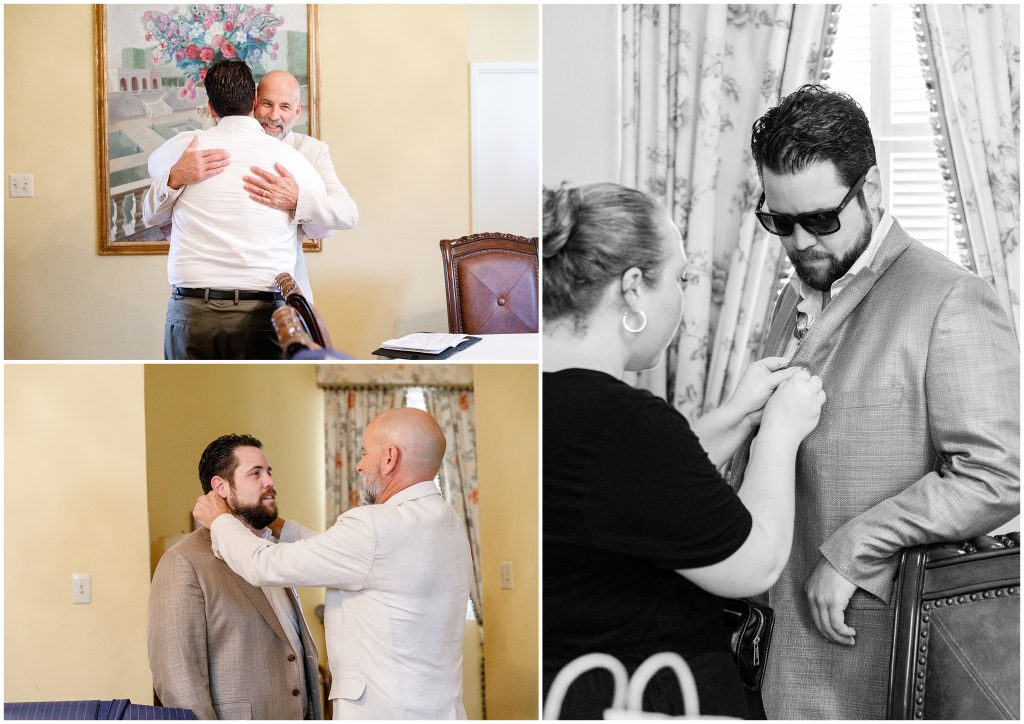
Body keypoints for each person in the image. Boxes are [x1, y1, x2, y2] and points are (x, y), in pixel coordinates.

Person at [732, 84, 1020, 719]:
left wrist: (856, 545)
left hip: (872, 666)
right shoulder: (792, 295)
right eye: (781, 223)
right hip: (770, 661)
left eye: (822, 219)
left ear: (872, 189)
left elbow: (998, 475)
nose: (801, 242)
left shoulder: (950, 299)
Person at [542, 181, 826, 719]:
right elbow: (756, 564)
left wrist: (736, 415)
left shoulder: (547, 399)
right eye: (680, 278)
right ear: (632, 288)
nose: (683, 295)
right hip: (643, 695)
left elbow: (631, 490)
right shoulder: (626, 422)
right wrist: (780, 433)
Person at [192, 408, 472, 720]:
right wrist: (273, 522)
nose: (358, 464)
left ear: (390, 457)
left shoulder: (373, 527)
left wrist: (220, 521)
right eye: (256, 473)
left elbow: (263, 565)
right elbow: (353, 559)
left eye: (365, 452)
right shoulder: (448, 523)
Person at [141, 60, 326, 360]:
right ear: (254, 101)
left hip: (193, 312)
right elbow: (322, 223)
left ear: (211, 108)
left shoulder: (185, 148)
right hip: (267, 314)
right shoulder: (291, 160)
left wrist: (175, 176)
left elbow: (152, 184)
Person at [143, 69, 359, 304]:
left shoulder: (311, 152)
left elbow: (345, 214)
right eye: (267, 104)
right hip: (206, 291)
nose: (274, 116)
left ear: (297, 111)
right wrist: (175, 175)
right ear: (254, 101)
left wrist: (298, 199)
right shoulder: (202, 147)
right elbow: (153, 201)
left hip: (282, 291)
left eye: (284, 107)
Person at [149, 434, 322, 720]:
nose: (269, 482)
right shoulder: (183, 562)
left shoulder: (272, 552)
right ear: (221, 487)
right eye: (255, 474)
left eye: (268, 472)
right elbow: (178, 678)